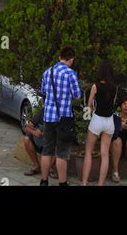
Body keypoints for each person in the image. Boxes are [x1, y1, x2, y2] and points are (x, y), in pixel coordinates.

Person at [39, 46, 82, 186]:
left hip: (48, 117)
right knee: (62, 152)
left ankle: (44, 181)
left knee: (47, 151)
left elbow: (43, 91)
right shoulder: (70, 74)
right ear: (71, 59)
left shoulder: (48, 72)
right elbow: (77, 95)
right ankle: (62, 183)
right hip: (64, 118)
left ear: (59, 57)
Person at [81, 61, 117, 186]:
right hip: (109, 121)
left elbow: (89, 105)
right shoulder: (115, 88)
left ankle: (84, 182)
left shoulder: (95, 86)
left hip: (97, 120)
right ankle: (100, 184)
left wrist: (86, 115)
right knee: (105, 154)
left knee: (89, 152)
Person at [22, 106, 56, 179]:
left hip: (51, 144)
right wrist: (35, 132)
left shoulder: (61, 113)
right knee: (26, 139)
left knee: (59, 145)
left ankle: (50, 168)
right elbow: (27, 127)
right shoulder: (43, 111)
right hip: (40, 141)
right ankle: (36, 166)